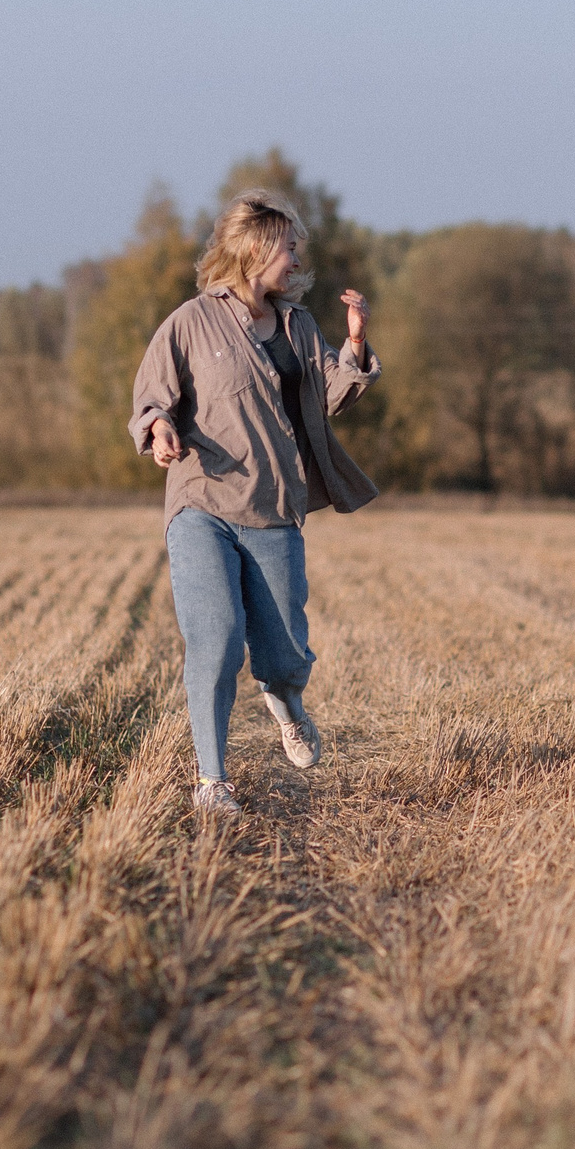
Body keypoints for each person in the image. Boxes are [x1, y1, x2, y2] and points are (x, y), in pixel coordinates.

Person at [130, 190, 380, 816]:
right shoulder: (190, 322)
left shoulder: (299, 326)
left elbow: (331, 396)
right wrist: (158, 428)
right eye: (288, 248)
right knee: (215, 640)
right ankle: (212, 781)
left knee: (285, 653)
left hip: (273, 506)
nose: (295, 259)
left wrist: (354, 345)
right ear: (255, 250)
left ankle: (286, 699)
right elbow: (152, 398)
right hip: (202, 501)